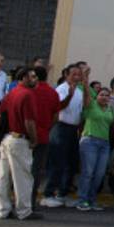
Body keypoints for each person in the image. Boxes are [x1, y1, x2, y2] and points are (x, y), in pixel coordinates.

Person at [0, 67, 40, 220]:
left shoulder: (12, 93)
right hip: (20, 140)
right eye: (32, 76)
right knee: (22, 177)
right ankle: (24, 211)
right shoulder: (27, 94)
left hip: (7, 137)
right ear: (23, 78)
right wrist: (34, 139)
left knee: (4, 177)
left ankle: (3, 209)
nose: (35, 79)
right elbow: (29, 121)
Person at [41, 64, 83, 208]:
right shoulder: (61, 89)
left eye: (79, 74)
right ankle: (48, 194)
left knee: (70, 163)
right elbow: (58, 106)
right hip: (61, 127)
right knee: (57, 162)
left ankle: (62, 193)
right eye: (74, 74)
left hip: (73, 129)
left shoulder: (79, 91)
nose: (77, 77)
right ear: (66, 75)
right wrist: (69, 96)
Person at [76, 73, 114, 212]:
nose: (104, 97)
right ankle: (82, 200)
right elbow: (86, 94)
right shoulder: (91, 105)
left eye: (107, 95)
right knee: (88, 172)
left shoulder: (111, 109)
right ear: (97, 96)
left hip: (104, 143)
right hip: (89, 141)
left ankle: (92, 199)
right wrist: (85, 79)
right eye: (101, 95)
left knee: (99, 174)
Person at [30, 65, 59, 208]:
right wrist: (47, 127)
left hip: (27, 135)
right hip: (43, 134)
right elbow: (56, 116)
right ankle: (31, 199)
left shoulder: (30, 91)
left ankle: (19, 198)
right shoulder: (53, 93)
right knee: (36, 169)